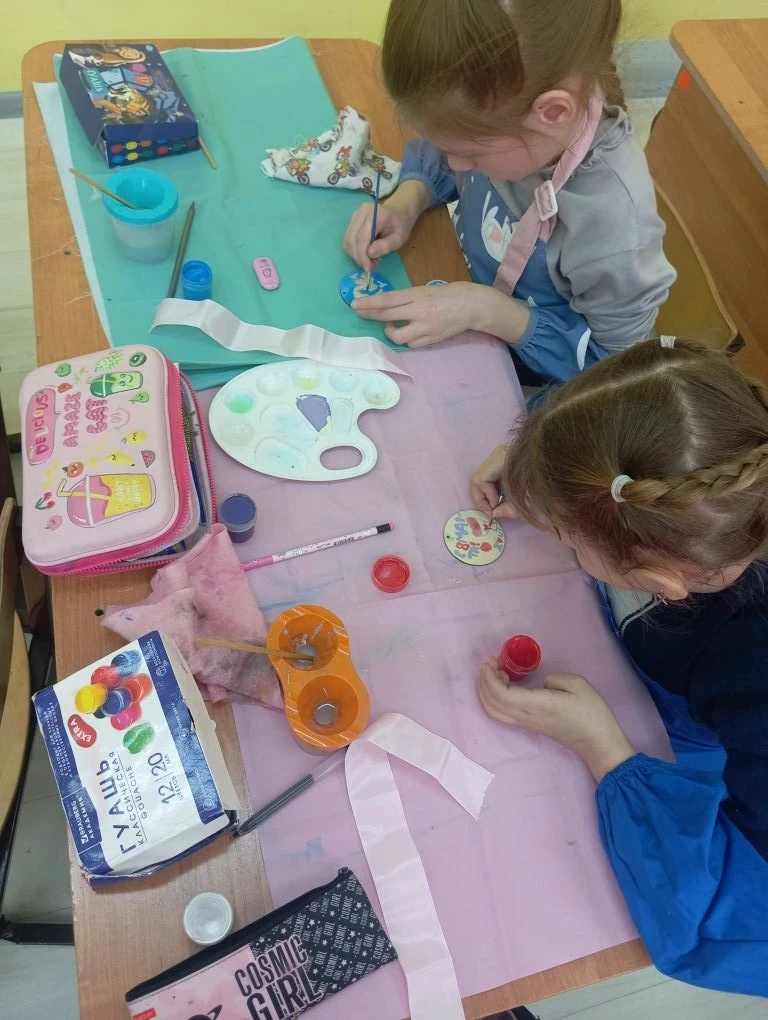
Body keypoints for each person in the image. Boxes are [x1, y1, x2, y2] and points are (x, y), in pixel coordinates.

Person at [470, 337, 768, 996]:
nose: (559, 538)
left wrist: (604, 750)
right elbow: (638, 424)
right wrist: (549, 474)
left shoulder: (751, 679)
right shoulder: (733, 458)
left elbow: (722, 923)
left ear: (662, 583)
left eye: (567, 538)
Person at [342, 0, 675, 384]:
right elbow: (447, 141)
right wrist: (409, 199)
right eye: (448, 148)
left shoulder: (613, 225)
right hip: (465, 301)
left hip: (537, 384)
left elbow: (618, 372)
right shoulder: (509, 123)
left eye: (471, 154)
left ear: (552, 113)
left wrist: (490, 311)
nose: (455, 163)